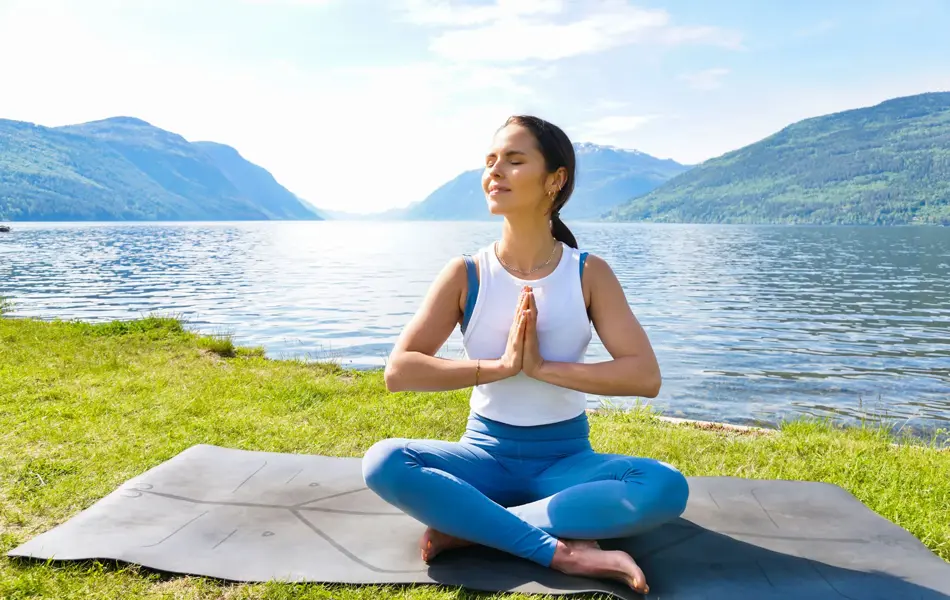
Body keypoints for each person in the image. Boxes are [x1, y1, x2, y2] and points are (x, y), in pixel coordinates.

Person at [361, 115, 689, 594]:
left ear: (555, 180)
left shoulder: (588, 273)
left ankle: (473, 527)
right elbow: (400, 370)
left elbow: (644, 377)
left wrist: (543, 370)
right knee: (383, 462)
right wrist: (501, 368)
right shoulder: (466, 273)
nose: (495, 171)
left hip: (564, 463)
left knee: (664, 486)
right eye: (490, 161)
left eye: (515, 161)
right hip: (482, 457)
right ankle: (557, 549)